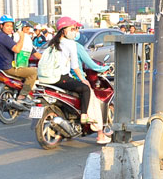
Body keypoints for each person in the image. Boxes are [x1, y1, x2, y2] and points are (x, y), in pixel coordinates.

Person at [37, 16, 109, 144]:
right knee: (85, 89)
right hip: (59, 78)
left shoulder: (52, 43)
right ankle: (84, 116)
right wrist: (83, 80)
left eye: (76, 29)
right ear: (64, 30)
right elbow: (75, 66)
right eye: (73, 29)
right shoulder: (71, 44)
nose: (75, 31)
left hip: (44, 79)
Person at [0, 15, 38, 102]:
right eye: (7, 26)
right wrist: (22, 37)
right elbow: (17, 49)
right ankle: (23, 96)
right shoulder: (4, 37)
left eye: (11, 25)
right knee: (33, 72)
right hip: (8, 68)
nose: (10, 28)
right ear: (1, 26)